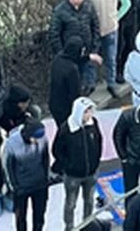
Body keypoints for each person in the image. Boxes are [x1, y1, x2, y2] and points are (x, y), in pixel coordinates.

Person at [53, 96, 102, 231]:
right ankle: (69, 227)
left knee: (89, 200)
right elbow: (57, 150)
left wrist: (96, 162)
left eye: (91, 111)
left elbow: (99, 142)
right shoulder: (66, 129)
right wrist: (68, 165)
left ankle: (87, 224)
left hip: (91, 173)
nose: (89, 115)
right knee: (71, 203)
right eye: (87, 112)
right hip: (73, 176)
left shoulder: (93, 124)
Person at [3, 118, 51, 231]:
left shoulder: (42, 138)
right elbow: (8, 167)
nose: (37, 141)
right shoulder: (12, 143)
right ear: (26, 135)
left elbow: (46, 158)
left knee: (39, 216)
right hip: (21, 187)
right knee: (20, 218)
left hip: (40, 184)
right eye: (34, 138)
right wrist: (14, 187)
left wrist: (46, 178)